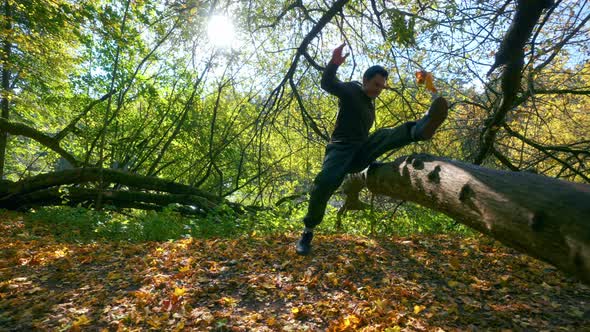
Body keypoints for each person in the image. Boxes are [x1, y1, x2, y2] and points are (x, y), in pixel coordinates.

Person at [295, 42, 449, 255]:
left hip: (360, 153)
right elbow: (328, 84)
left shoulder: (370, 105)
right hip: (340, 151)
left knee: (384, 134)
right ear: (366, 80)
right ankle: (307, 233)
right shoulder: (351, 89)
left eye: (382, 87)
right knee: (325, 182)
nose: (379, 90)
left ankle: (420, 129)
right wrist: (333, 63)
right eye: (376, 85)